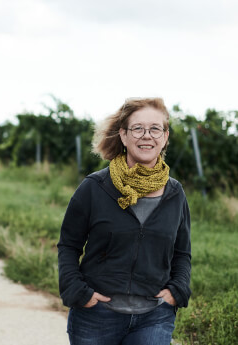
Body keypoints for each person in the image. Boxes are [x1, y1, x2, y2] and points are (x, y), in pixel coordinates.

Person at [57, 97, 192, 344]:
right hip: (96, 316)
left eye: (155, 129)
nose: (146, 136)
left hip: (155, 316)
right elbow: (68, 245)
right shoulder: (95, 187)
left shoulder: (175, 194)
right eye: (138, 128)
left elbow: (182, 252)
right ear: (123, 135)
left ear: (165, 137)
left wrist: (177, 290)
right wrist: (77, 291)